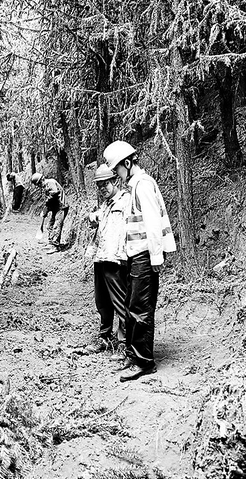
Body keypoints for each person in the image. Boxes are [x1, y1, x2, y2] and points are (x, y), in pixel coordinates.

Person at [103, 140, 176, 382]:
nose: (117, 175)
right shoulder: (135, 185)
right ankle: (133, 356)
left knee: (140, 309)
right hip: (136, 255)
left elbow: (153, 224)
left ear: (127, 163)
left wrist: (156, 256)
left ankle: (144, 362)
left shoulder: (143, 185)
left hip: (145, 256)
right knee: (131, 306)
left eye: (117, 169)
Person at [86, 164, 130, 354]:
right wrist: (93, 216)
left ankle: (125, 343)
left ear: (115, 181)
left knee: (120, 302)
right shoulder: (105, 204)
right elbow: (99, 219)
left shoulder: (125, 200)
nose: (102, 188)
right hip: (101, 257)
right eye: (99, 185)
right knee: (102, 301)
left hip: (117, 259)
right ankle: (104, 337)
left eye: (105, 183)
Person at [31, 173, 69, 252]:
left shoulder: (50, 182)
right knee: (49, 225)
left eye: (39, 184)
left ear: (42, 180)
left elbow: (54, 194)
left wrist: (47, 205)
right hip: (56, 208)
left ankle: (55, 245)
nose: (39, 186)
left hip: (61, 206)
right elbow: (50, 200)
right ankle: (51, 242)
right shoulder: (45, 186)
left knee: (56, 225)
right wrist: (46, 210)